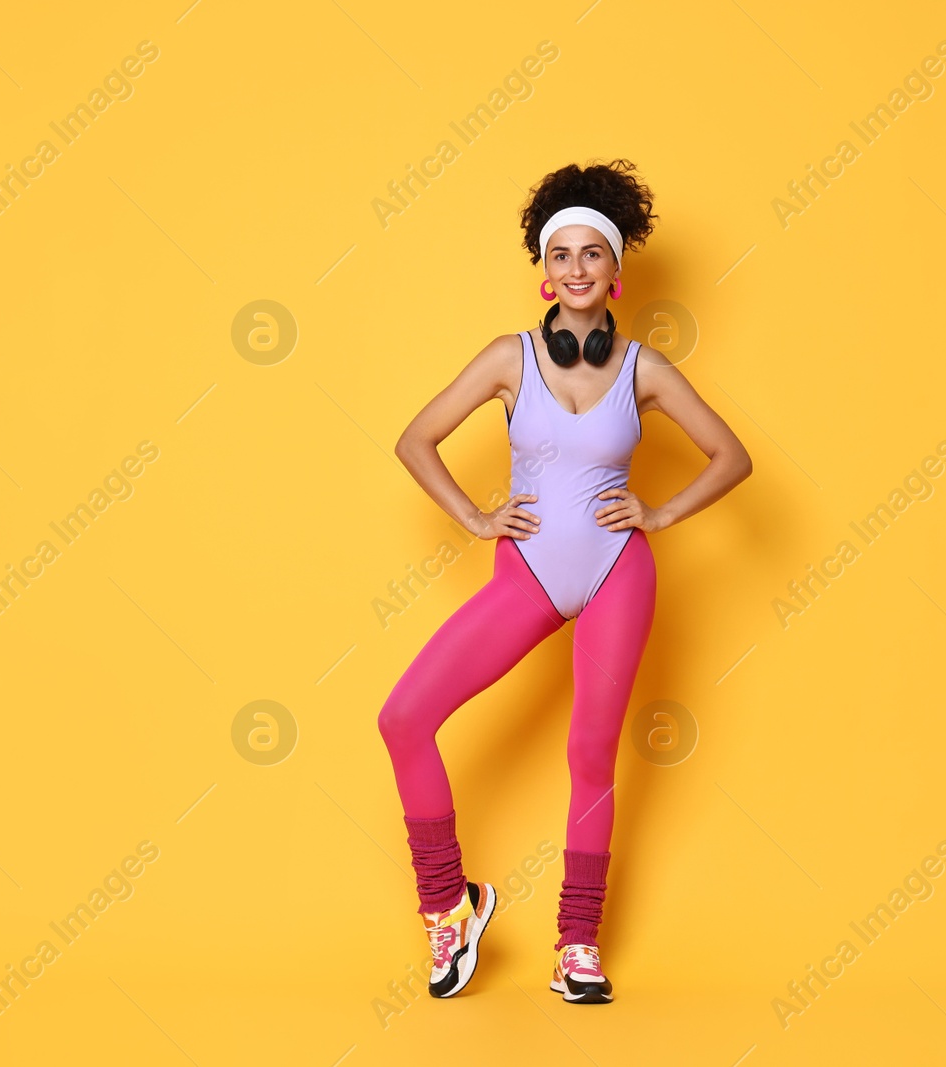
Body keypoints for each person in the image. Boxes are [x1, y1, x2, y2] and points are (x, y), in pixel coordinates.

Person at [378, 159, 753, 1004]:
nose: (577, 269)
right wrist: (477, 518)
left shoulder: (644, 371)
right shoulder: (506, 360)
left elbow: (733, 457)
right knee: (404, 717)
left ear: (617, 276)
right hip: (530, 576)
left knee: (591, 752)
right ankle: (451, 906)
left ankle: (576, 943)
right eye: (563, 255)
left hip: (620, 574)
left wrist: (659, 515)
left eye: (594, 255)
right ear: (543, 273)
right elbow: (415, 440)